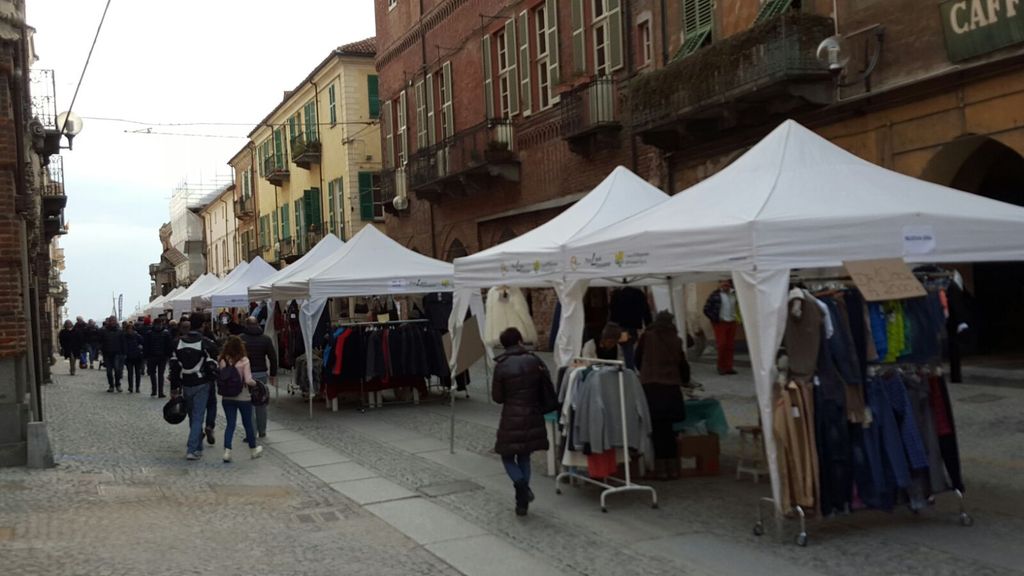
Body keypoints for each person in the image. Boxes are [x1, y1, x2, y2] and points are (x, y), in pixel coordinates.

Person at [491, 327, 551, 516]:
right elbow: (545, 387)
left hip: (511, 416)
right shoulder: (534, 360)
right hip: (533, 413)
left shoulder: (501, 365)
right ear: (519, 341)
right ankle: (522, 501)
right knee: (524, 456)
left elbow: (497, 397)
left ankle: (522, 487)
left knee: (507, 456)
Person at [634, 311, 690, 480]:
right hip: (671, 388)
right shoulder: (676, 339)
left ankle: (661, 468)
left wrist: (646, 371)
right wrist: (684, 380)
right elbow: (682, 363)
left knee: (657, 429)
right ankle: (672, 467)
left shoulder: (647, 337)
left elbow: (637, 358)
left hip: (652, 387)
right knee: (669, 430)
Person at [168, 320, 219, 460]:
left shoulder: (177, 343)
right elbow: (214, 356)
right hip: (202, 382)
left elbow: (174, 368)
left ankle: (198, 446)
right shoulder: (205, 342)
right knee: (198, 416)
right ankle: (192, 448)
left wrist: (174, 388)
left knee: (192, 415)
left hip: (186, 383)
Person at [217, 336, 264, 462]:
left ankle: (227, 451)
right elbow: (248, 380)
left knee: (230, 424)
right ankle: (253, 450)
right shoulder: (244, 360)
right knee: (247, 423)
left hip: (227, 396)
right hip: (243, 396)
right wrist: (256, 384)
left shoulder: (222, 360)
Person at [240, 316, 277, 439]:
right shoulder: (265, 339)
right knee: (261, 403)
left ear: (246, 325)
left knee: (248, 404)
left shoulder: (241, 339)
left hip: (246, 375)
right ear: (257, 324)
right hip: (261, 374)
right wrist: (273, 374)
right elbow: (273, 357)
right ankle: (262, 430)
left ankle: (251, 432)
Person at [703, 279, 739, 375]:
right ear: (719, 284)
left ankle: (729, 367)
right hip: (720, 323)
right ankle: (721, 366)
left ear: (730, 284)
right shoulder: (715, 295)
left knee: (730, 346)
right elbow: (706, 309)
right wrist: (714, 319)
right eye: (723, 282)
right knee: (722, 345)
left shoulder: (735, 294)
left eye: (727, 283)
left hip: (732, 322)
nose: (725, 284)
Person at [143, 317, 173, 397]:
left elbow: (146, 346)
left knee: (155, 374)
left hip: (155, 356)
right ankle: (159, 391)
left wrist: (145, 356)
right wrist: (169, 355)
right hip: (159, 357)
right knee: (158, 374)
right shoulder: (165, 333)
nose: (158, 326)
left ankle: (156, 391)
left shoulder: (150, 333)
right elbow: (169, 346)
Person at [100, 316, 125, 392]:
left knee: (117, 370)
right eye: (111, 321)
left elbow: (123, 342)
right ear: (108, 322)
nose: (112, 322)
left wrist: (123, 353)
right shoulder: (104, 331)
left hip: (117, 353)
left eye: (114, 321)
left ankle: (118, 384)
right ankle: (111, 385)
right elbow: (101, 342)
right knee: (109, 371)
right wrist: (101, 350)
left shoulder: (120, 331)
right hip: (107, 353)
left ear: (116, 321)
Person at [122, 323, 145, 393]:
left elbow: (143, 343)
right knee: (130, 373)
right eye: (128, 329)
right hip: (128, 357)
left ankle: (137, 387)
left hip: (137, 357)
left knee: (138, 373)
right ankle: (130, 387)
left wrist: (141, 347)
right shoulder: (124, 337)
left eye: (131, 329)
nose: (130, 330)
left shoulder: (138, 336)